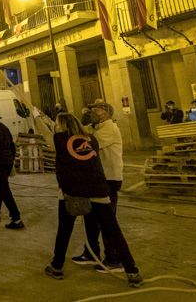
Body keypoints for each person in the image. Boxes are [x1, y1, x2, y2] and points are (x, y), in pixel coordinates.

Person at [45, 112, 142, 288]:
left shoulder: (60, 139)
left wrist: (37, 116)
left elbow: (47, 134)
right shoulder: (91, 139)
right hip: (98, 189)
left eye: (58, 124)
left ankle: (57, 266)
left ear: (62, 126)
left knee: (64, 231)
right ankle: (132, 271)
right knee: (113, 231)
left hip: (73, 191)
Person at [72, 101, 124, 270]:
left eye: (94, 110)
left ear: (104, 113)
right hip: (97, 179)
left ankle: (114, 258)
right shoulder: (97, 128)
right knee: (91, 217)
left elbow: (87, 143)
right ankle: (91, 253)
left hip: (109, 179)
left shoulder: (109, 129)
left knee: (107, 220)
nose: (90, 112)